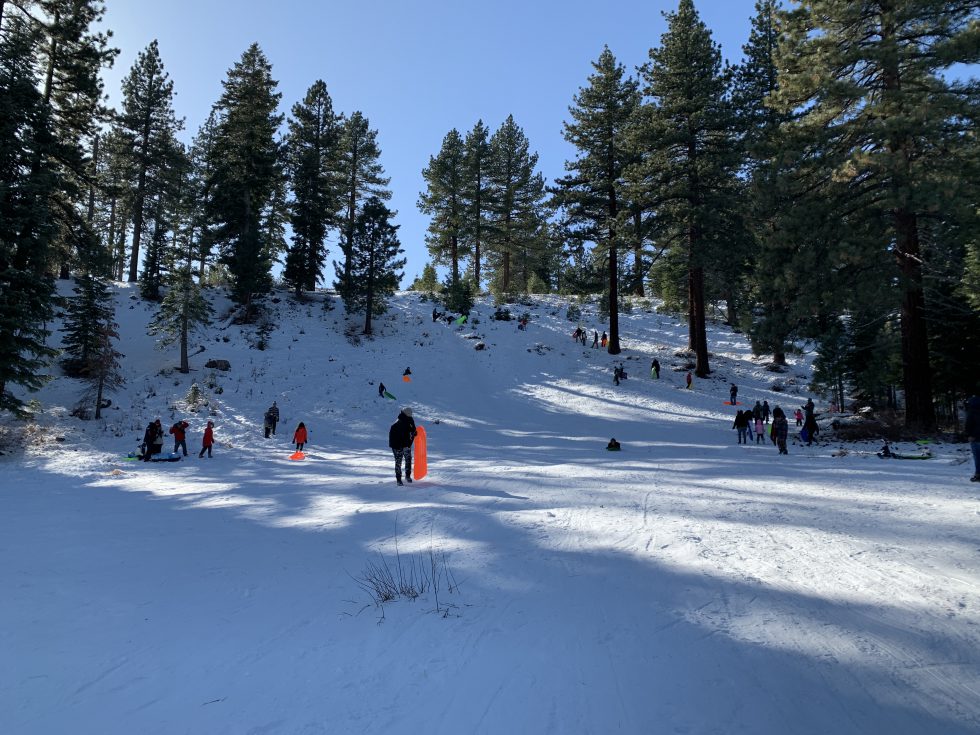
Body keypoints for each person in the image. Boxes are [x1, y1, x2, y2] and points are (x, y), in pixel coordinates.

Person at [388, 407, 417, 486]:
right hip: (397, 445)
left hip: (406, 444)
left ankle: (407, 476)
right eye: (410, 415)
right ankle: (398, 479)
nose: (411, 416)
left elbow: (413, 430)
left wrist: (414, 432)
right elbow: (393, 438)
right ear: (406, 414)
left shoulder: (410, 419)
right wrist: (398, 447)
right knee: (398, 461)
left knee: (408, 459)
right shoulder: (397, 424)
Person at [967, 395, 980, 482]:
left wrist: (971, 435)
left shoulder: (973, 412)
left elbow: (971, 425)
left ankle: (978, 475)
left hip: (976, 439)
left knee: (978, 457)